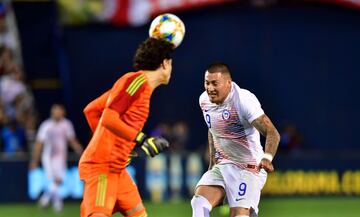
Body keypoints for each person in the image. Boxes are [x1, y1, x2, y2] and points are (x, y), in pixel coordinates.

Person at [79, 37, 174, 217]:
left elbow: (91, 111)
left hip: (118, 169)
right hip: (102, 169)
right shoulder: (136, 82)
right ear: (165, 63)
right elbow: (108, 118)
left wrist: (114, 147)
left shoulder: (136, 86)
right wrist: (142, 139)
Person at [191, 62, 280, 217]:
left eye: (214, 83)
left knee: (238, 215)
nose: (210, 88)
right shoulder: (204, 100)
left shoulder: (243, 100)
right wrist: (212, 162)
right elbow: (213, 130)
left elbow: (273, 133)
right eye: (207, 83)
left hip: (250, 167)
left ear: (228, 83)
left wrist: (267, 157)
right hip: (224, 164)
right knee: (199, 203)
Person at [29, 103, 83, 212]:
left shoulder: (67, 124)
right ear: (52, 112)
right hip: (48, 157)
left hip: (61, 157)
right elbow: (39, 143)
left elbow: (71, 139)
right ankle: (53, 203)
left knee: (58, 180)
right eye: (55, 111)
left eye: (59, 111)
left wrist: (79, 150)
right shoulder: (46, 125)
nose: (57, 113)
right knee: (56, 180)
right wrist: (35, 160)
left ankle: (48, 200)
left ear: (63, 112)